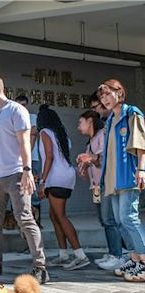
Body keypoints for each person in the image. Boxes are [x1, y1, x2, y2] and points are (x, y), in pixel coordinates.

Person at [0, 73, 49, 284]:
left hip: (16, 174)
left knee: (24, 218)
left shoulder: (17, 110)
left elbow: (24, 142)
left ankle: (40, 267)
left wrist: (27, 170)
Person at [97, 79, 145, 282]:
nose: (105, 99)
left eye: (108, 94)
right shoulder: (110, 120)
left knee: (129, 218)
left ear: (119, 92)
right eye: (102, 96)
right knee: (119, 221)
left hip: (129, 174)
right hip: (113, 179)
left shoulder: (131, 113)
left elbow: (142, 143)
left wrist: (142, 168)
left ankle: (143, 261)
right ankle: (134, 259)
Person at [36, 105, 89, 270]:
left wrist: (42, 181)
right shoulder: (62, 134)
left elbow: (49, 157)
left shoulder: (44, 132)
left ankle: (80, 255)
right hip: (66, 175)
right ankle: (63, 254)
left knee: (61, 216)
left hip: (55, 178)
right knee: (55, 216)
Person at [76, 110, 126, 270]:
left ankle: (118, 255)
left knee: (109, 220)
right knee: (105, 220)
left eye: (80, 122)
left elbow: (106, 159)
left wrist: (89, 158)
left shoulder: (101, 136)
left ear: (90, 121)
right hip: (97, 186)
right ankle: (113, 252)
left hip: (106, 183)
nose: (78, 127)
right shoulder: (91, 141)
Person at [15, 94, 42, 227]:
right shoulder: (12, 116)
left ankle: (37, 221)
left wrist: (27, 157)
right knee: (19, 190)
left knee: (34, 189)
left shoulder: (32, 118)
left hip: (33, 159)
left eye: (24, 105)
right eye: (19, 105)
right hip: (16, 161)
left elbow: (33, 136)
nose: (22, 107)